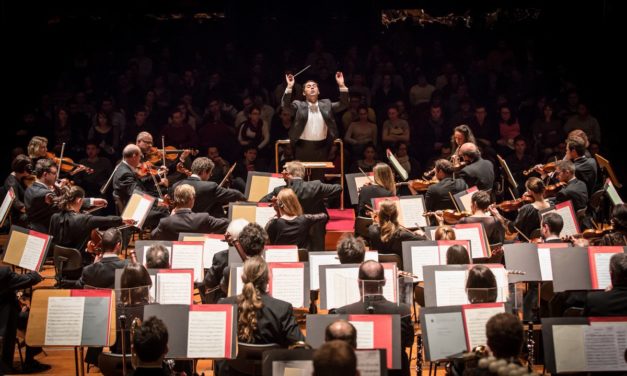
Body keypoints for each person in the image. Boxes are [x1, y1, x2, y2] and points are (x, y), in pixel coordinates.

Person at [218, 257, 304, 365]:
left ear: (242, 277)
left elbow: (217, 345)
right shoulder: (282, 308)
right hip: (272, 371)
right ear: (268, 278)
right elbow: (301, 346)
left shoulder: (225, 304)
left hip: (234, 371)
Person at [335, 261, 413, 376]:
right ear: (384, 282)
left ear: (358, 282)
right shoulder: (403, 311)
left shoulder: (341, 313)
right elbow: (408, 342)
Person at [260, 161, 342, 251]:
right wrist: (321, 196)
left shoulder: (280, 190)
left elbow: (261, 202)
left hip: (289, 233)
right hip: (315, 231)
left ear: (289, 174)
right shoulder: (315, 186)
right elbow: (338, 188)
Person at [282, 71, 349, 179]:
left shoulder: (326, 104)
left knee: (318, 180)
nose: (312, 88)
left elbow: (344, 104)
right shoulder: (298, 105)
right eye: (308, 86)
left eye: (314, 86)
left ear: (318, 91)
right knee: (300, 179)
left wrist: (341, 85)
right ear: (304, 93)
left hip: (321, 149)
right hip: (302, 148)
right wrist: (289, 87)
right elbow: (285, 107)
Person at [25, 158, 106, 233]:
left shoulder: (30, 188)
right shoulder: (45, 194)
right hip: (46, 231)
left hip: (34, 228)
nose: (57, 176)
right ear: (45, 174)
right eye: (54, 173)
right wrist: (91, 201)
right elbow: (64, 204)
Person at [49, 185, 131, 258]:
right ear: (79, 200)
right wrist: (122, 219)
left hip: (60, 261)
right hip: (80, 263)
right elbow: (107, 220)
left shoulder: (54, 217)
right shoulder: (84, 219)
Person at [0, 267, 49, 373]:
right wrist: (37, 275)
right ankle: (29, 363)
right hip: (4, 319)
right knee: (32, 318)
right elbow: (27, 280)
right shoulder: (3, 273)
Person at [111, 144, 168, 228]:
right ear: (134, 156)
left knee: (161, 204)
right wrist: (157, 202)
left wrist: (157, 175)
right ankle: (159, 237)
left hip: (134, 203)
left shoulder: (124, 167)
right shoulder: (124, 173)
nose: (140, 159)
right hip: (133, 210)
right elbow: (137, 193)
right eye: (140, 156)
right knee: (164, 211)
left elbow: (138, 183)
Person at [172, 157, 245, 218]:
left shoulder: (175, 186)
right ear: (204, 172)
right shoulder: (209, 187)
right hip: (204, 226)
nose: (210, 175)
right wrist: (246, 199)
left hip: (181, 224)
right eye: (210, 172)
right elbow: (235, 195)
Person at [151, 184, 228, 240]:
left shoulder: (165, 222)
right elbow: (226, 224)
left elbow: (153, 235)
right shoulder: (203, 218)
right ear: (191, 199)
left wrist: (170, 217)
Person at [3, 154, 32, 226]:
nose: (30, 170)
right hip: (17, 216)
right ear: (23, 170)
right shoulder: (12, 183)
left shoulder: (19, 177)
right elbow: (17, 204)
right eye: (28, 168)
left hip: (21, 211)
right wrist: (34, 211)